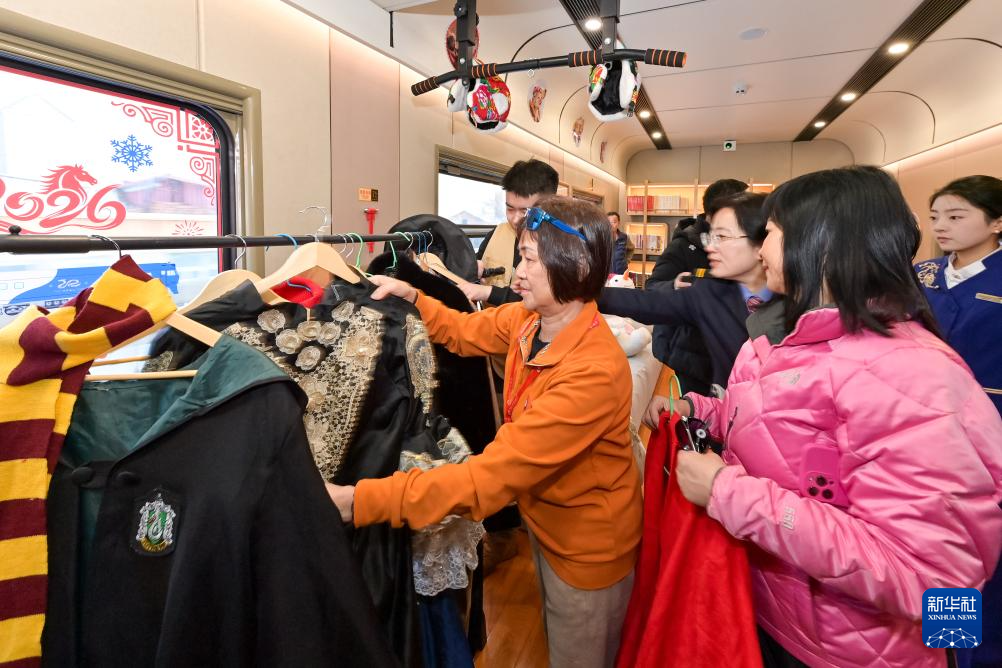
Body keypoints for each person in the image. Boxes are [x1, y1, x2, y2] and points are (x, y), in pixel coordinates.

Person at [668, 166, 1002, 668]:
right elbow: (783, 432)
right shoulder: (794, 335)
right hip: (781, 618)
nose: (760, 249)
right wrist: (705, 412)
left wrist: (726, 493)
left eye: (770, 233)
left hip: (851, 650)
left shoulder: (912, 374)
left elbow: (937, 582)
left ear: (819, 243)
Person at [328, 196, 641, 668]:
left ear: (575, 267)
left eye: (529, 260)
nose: (517, 274)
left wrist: (358, 501)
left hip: (588, 548)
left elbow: (487, 478)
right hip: (548, 523)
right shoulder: (531, 320)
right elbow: (462, 331)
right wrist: (414, 298)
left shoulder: (592, 373)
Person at [915, 175, 1002, 668]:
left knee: (981, 545)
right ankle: (944, 645)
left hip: (988, 433)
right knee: (939, 542)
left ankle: (978, 654)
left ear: (997, 222)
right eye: (935, 217)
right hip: (922, 428)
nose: (941, 226)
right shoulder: (921, 275)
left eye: (956, 215)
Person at [598, 190, 773, 419]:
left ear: (762, 243)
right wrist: (584, 293)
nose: (710, 247)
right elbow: (648, 303)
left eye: (722, 237)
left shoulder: (801, 303)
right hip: (727, 421)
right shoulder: (710, 293)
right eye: (711, 237)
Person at [646, 178, 748, 396]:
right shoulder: (684, 245)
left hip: (731, 349)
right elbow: (652, 287)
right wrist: (675, 286)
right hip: (691, 354)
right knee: (695, 411)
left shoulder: (741, 242)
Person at [461, 158, 559, 306]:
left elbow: (543, 299)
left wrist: (485, 292)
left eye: (525, 211)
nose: (515, 219)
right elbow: (477, 263)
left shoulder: (559, 246)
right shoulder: (496, 234)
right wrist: (473, 269)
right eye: (510, 208)